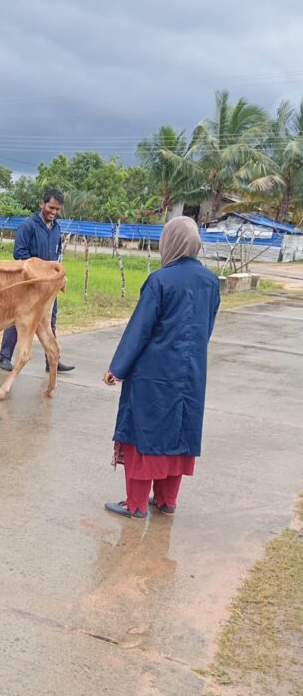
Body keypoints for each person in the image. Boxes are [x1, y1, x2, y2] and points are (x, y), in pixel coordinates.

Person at [103, 216, 220, 519]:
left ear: (169, 242)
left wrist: (117, 368)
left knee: (145, 434)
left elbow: (140, 329)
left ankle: (136, 504)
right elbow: (206, 326)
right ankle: (167, 501)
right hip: (191, 372)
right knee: (178, 433)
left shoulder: (160, 280)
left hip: (153, 373)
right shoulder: (210, 281)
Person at [0, 187, 74, 374]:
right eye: (51, 208)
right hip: (29, 284)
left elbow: (56, 254)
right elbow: (19, 253)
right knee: (18, 320)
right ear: (42, 204)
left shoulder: (57, 228)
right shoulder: (28, 226)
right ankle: (4, 357)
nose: (54, 212)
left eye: (57, 209)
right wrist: (38, 271)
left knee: (50, 320)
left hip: (48, 286)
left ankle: (52, 360)